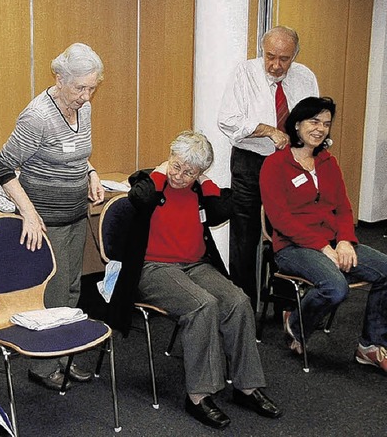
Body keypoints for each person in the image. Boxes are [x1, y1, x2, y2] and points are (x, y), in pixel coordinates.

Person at [110, 131, 282, 429]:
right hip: (153, 268)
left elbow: (221, 211)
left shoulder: (199, 188)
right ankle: (199, 396)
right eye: (176, 166)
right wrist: (162, 172)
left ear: (200, 172)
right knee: (202, 305)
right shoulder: (149, 182)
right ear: (169, 160)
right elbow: (139, 199)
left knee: (239, 302)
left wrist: (204, 181)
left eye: (189, 172)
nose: (180, 175)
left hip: (195, 265)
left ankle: (247, 387)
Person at [0, 43, 105, 391]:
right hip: (44, 221)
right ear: (59, 79)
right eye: (79, 88)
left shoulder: (81, 108)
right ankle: (43, 365)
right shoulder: (37, 116)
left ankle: (64, 355)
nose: (86, 97)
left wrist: (91, 172)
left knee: (71, 288)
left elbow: (76, 151)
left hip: (73, 214)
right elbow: (2, 165)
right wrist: (28, 212)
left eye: (92, 88)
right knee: (51, 293)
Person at [260, 97, 387, 371]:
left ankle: (370, 346)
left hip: (332, 243)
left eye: (326, 124)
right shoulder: (274, 165)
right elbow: (280, 220)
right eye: (314, 121)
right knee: (335, 288)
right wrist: (323, 247)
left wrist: (344, 240)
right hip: (292, 248)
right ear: (297, 124)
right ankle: (296, 325)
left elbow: (343, 208)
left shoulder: (329, 163)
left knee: (385, 270)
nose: (320, 129)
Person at [218, 26, 319, 310]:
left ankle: (285, 306)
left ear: (295, 55)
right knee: (244, 235)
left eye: (284, 59)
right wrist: (267, 130)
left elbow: (312, 119)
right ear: (263, 51)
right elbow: (228, 120)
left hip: (289, 163)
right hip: (251, 161)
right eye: (270, 56)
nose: (276, 65)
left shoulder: (305, 77)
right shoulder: (244, 73)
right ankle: (243, 306)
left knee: (287, 233)